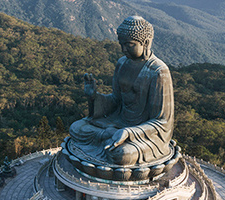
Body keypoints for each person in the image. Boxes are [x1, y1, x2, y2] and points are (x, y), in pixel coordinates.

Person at [69, 16, 174, 166]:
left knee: (122, 154)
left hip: (143, 134)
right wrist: (94, 97)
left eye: (129, 45)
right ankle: (109, 136)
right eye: (121, 45)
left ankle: (110, 139)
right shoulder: (122, 63)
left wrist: (129, 133)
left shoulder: (158, 71)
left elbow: (162, 122)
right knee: (76, 128)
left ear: (146, 42)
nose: (124, 50)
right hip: (116, 123)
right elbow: (115, 100)